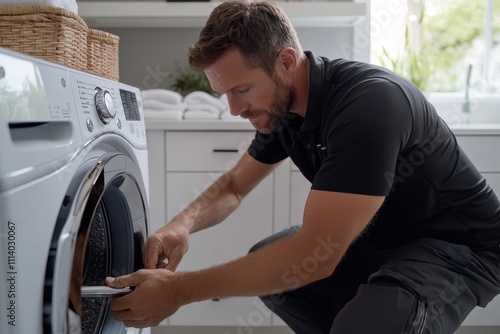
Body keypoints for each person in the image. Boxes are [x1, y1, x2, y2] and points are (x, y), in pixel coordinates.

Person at [106, 0, 500, 332]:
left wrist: (178, 291)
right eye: (224, 93)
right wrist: (182, 224)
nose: (235, 109)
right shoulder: (284, 109)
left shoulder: (369, 106)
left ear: (286, 61)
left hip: (458, 248)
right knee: (273, 263)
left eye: (242, 89)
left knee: (345, 302)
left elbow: (315, 252)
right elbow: (233, 188)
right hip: (385, 240)